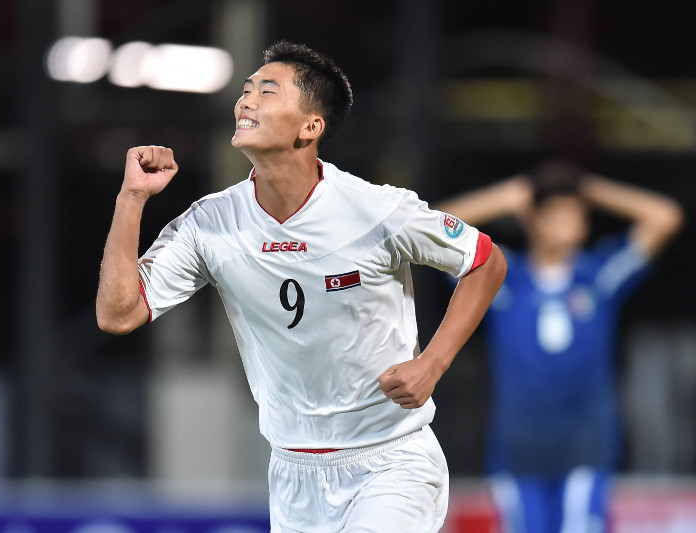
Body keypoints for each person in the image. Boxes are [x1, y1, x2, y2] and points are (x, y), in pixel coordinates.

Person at [96, 40, 506, 533]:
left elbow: (485, 260)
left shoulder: (374, 209)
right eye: (246, 90)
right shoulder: (211, 224)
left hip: (391, 461)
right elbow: (117, 314)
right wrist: (131, 198)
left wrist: (432, 365)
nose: (245, 101)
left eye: (267, 91)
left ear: (312, 127)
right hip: (293, 473)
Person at [434, 160, 684, 533]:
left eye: (575, 215)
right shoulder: (502, 278)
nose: (568, 222)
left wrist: (590, 189)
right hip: (518, 450)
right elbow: (434, 228)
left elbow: (665, 217)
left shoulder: (599, 276)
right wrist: (506, 198)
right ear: (532, 219)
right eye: (556, 213)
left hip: (586, 449)